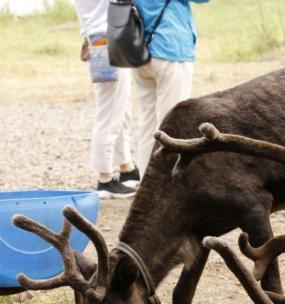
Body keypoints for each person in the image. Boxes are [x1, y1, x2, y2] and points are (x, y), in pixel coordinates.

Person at [133, 0, 209, 176]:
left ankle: (146, 181)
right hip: (170, 48)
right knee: (174, 123)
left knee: (148, 122)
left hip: (138, 49)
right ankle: (168, 185)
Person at [75, 0, 139, 199]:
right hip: (109, 38)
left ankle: (125, 166)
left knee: (121, 107)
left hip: (100, 38)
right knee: (110, 111)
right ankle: (105, 178)